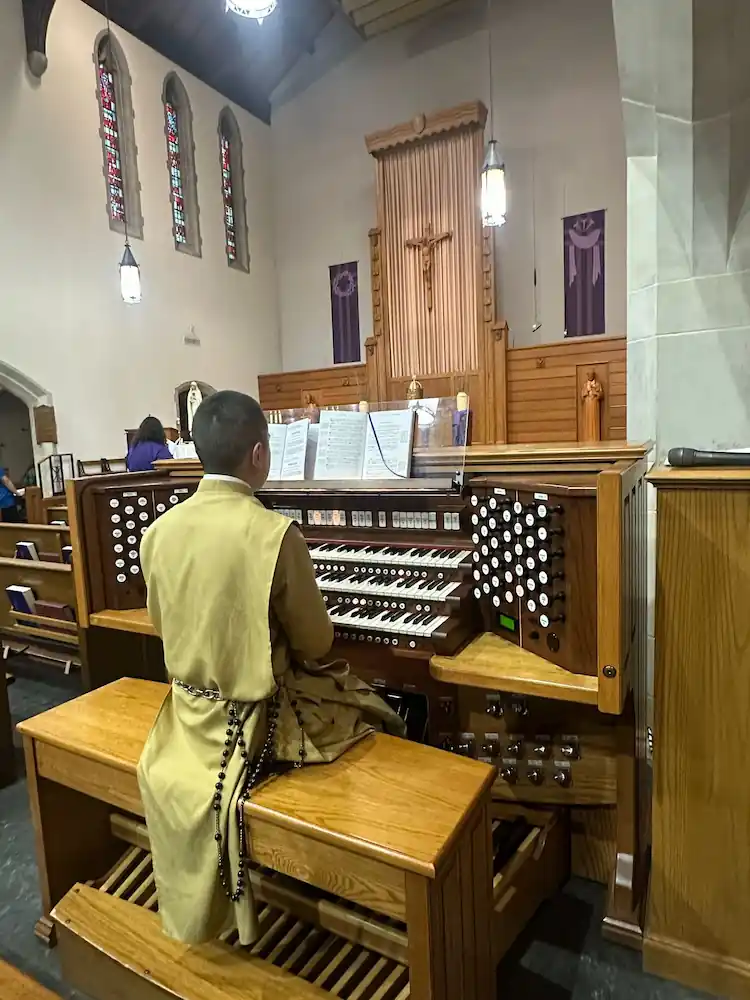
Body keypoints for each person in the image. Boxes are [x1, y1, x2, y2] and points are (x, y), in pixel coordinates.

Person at [137, 390, 404, 946]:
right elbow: (316, 642)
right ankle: (366, 890)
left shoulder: (157, 533)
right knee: (381, 714)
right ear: (260, 455)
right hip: (258, 724)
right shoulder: (274, 534)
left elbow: (164, 625)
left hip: (184, 712)